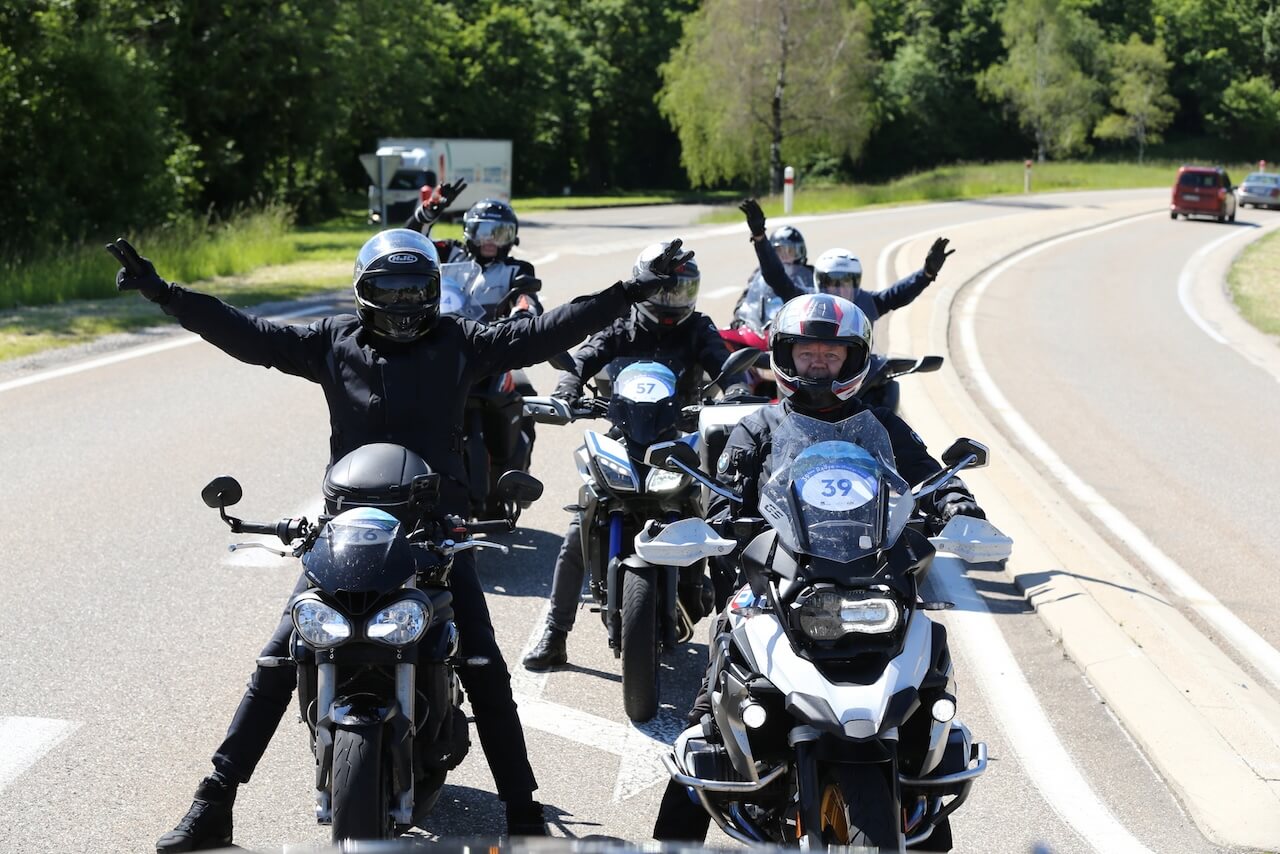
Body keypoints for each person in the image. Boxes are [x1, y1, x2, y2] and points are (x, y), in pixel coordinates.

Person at [106, 229, 694, 851]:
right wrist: (165, 293)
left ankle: (522, 812)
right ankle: (212, 805)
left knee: (484, 664)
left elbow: (547, 330)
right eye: (390, 290)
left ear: (435, 293)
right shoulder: (332, 341)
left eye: (416, 290)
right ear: (364, 292)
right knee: (278, 659)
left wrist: (628, 290)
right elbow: (249, 336)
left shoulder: (460, 342)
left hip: (435, 529)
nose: (404, 303)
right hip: (348, 527)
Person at [650, 293, 985, 842]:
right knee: (705, 724)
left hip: (869, 578)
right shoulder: (756, 429)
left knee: (927, 691)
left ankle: (918, 795)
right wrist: (718, 525)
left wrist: (958, 506)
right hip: (776, 580)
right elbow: (724, 497)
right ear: (786, 357)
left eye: (832, 355)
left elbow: (933, 476)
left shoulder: (882, 427)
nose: (818, 366)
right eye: (807, 354)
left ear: (854, 362)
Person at [522, 242, 745, 670]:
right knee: (578, 526)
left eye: (678, 290)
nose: (669, 299)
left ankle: (734, 638)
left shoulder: (699, 327)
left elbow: (723, 364)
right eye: (662, 288)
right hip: (623, 436)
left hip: (677, 442)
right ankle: (555, 632)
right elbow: (584, 358)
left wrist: (734, 391)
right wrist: (569, 390)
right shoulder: (620, 325)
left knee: (721, 522)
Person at [737, 198, 954, 325]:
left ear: (856, 284)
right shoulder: (805, 300)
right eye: (832, 282)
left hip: (858, 381)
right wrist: (760, 238)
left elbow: (898, 294)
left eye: (846, 282)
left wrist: (926, 274)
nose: (839, 289)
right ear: (819, 284)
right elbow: (776, 277)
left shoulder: (867, 303)